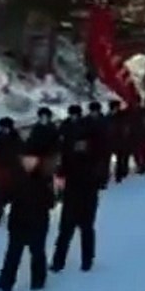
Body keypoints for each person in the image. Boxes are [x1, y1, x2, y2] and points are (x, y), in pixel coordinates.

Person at [0, 141, 56, 291]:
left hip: (38, 221)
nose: (28, 162)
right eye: (25, 159)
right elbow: (4, 196)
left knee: (37, 253)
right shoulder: (15, 176)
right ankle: (5, 284)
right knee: (13, 254)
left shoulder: (44, 178)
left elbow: (51, 202)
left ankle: (38, 282)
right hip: (18, 221)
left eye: (32, 159)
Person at [50, 108, 104, 273]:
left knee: (86, 228)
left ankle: (87, 261)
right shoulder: (70, 156)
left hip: (87, 193)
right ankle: (59, 262)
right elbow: (61, 171)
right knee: (66, 230)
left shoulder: (93, 157)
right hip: (73, 193)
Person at [0, 117, 24, 226]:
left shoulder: (16, 139)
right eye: (2, 127)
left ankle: (17, 218)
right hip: (0, 171)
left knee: (16, 197)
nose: (3, 130)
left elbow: (21, 153)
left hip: (14, 172)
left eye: (5, 127)